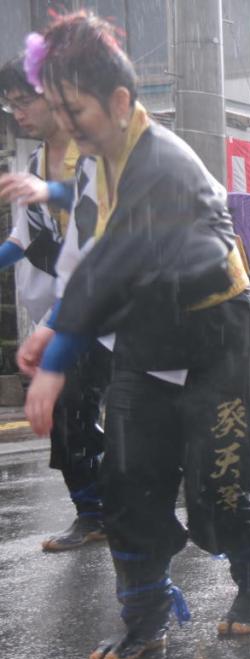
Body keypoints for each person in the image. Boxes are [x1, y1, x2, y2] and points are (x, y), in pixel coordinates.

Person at [8, 12, 250, 659]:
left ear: (121, 102)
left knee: (218, 496)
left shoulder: (159, 161)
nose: (69, 126)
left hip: (221, 340)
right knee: (128, 487)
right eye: (60, 109)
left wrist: (56, 355)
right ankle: (146, 617)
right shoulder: (103, 160)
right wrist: (53, 330)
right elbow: (88, 231)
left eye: (77, 111)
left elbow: (112, 262)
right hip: (147, 343)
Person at [0, 56, 112, 552]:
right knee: (68, 415)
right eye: (11, 104)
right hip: (71, 310)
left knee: (129, 415)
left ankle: (134, 502)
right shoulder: (32, 166)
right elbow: (21, 239)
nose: (17, 113)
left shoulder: (97, 156)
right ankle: (92, 511)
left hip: (114, 306)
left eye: (25, 101)